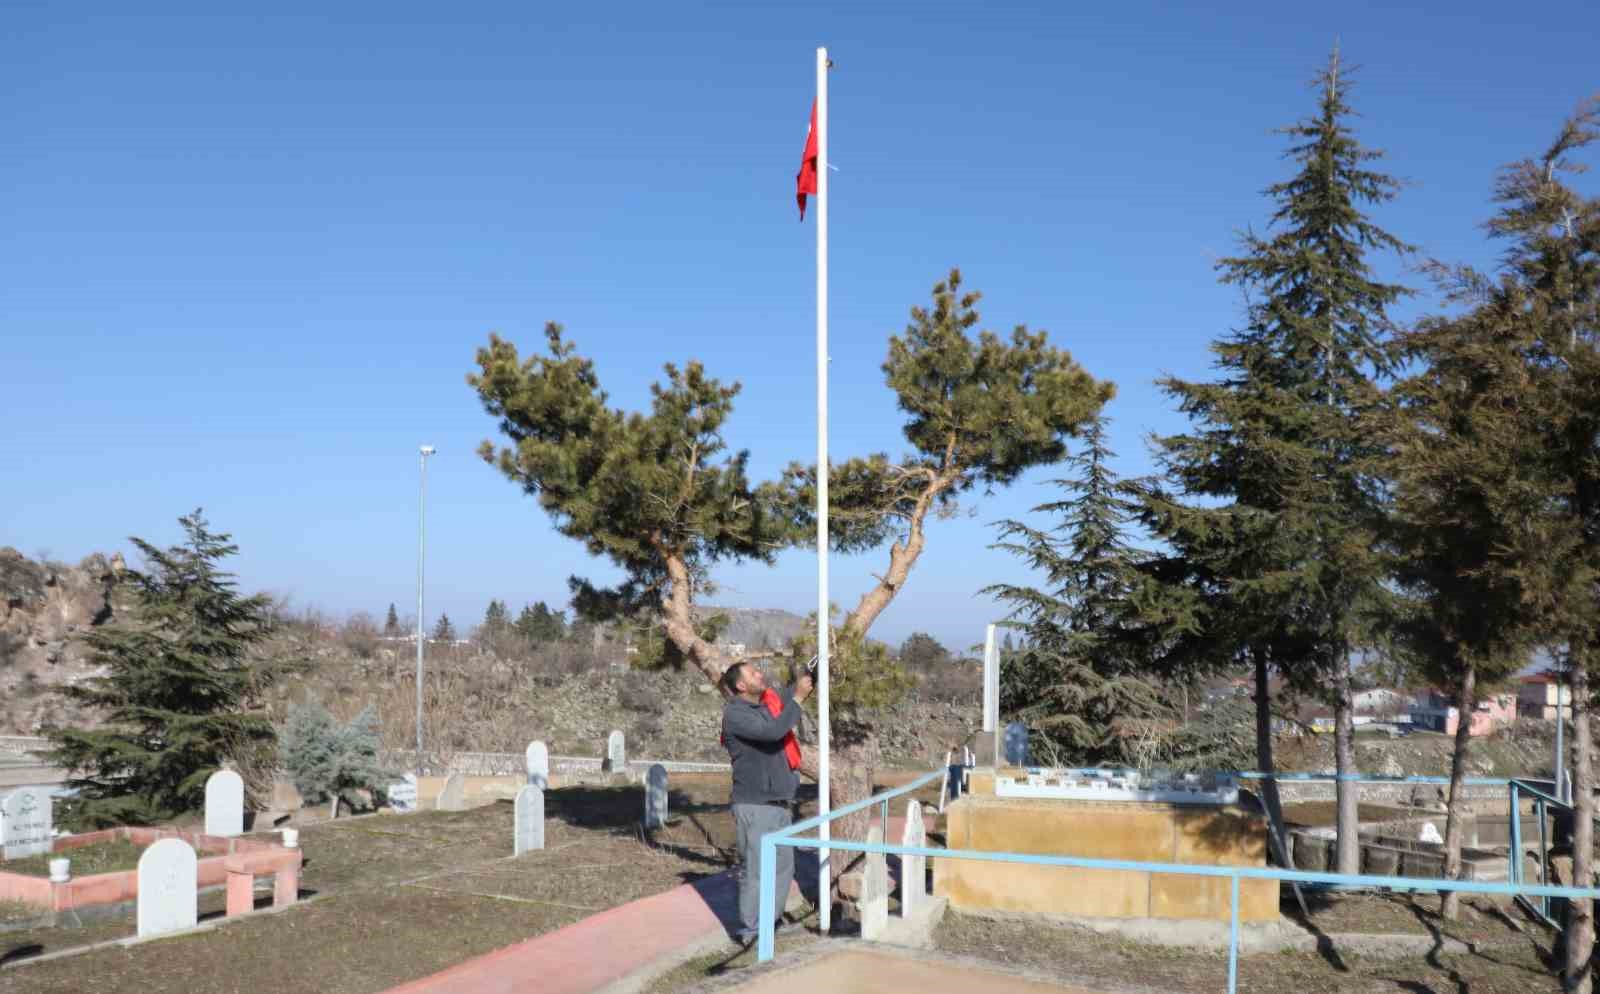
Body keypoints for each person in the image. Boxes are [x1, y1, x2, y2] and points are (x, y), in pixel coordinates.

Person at [719, 660, 813, 942]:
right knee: (757, 870)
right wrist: (797, 699)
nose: (760, 674)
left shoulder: (765, 706)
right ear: (740, 685)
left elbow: (786, 696)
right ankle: (750, 930)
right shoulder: (736, 714)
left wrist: (809, 675)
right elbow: (773, 731)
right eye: (753, 673)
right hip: (756, 806)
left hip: (780, 804)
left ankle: (770, 924)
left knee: (783, 868)